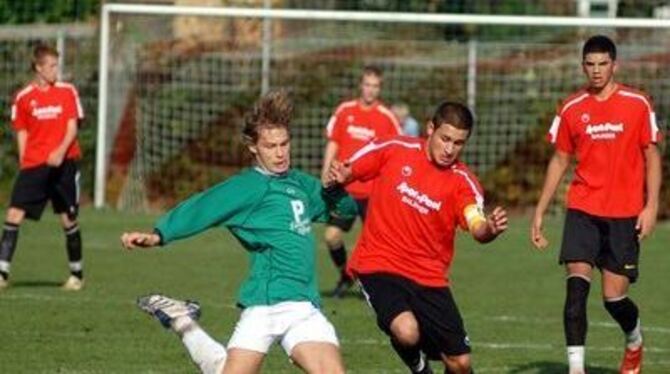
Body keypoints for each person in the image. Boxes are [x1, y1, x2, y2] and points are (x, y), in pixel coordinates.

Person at [121, 90, 356, 374]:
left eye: (284, 144)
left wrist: (337, 187)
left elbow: (344, 211)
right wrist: (160, 235)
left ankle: (182, 318)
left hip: (304, 307)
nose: (280, 153)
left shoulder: (300, 184)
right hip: (265, 304)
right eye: (271, 146)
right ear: (254, 148)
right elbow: (204, 207)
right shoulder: (247, 188)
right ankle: (184, 323)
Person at [324, 101, 508, 374]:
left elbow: (476, 222)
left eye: (458, 143)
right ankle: (419, 367)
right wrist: (341, 174)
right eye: (445, 138)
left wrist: (489, 229)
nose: (449, 149)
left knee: (460, 363)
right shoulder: (395, 148)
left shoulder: (463, 181)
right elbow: (351, 169)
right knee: (406, 331)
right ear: (430, 128)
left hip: (429, 276)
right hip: (379, 264)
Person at [531, 35, 662, 374]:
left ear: (614, 65)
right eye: (590, 64)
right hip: (583, 209)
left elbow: (652, 155)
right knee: (575, 293)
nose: (597, 71)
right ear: (583, 67)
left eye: (603, 63)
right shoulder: (572, 107)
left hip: (624, 213)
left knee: (614, 300)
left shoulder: (638, 103)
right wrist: (540, 211)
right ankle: (577, 369)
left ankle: (634, 340)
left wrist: (650, 207)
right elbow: (559, 160)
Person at [0, 43, 85, 291]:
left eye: (57, 65)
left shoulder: (67, 92)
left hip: (64, 163)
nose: (55, 71)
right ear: (38, 68)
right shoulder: (24, 97)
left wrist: (59, 153)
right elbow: (22, 132)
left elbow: (72, 127)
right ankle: (2, 273)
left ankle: (77, 275)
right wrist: (26, 162)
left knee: (67, 219)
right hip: (35, 165)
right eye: (51, 66)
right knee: (13, 214)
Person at [321, 65, 402, 297]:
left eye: (375, 86)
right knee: (331, 236)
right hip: (345, 189)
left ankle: (373, 286)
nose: (370, 90)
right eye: (367, 84)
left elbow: (396, 153)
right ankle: (345, 275)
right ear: (361, 85)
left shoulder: (387, 118)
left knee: (376, 245)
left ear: (380, 88)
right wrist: (326, 171)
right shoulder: (345, 111)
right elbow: (333, 142)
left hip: (374, 192)